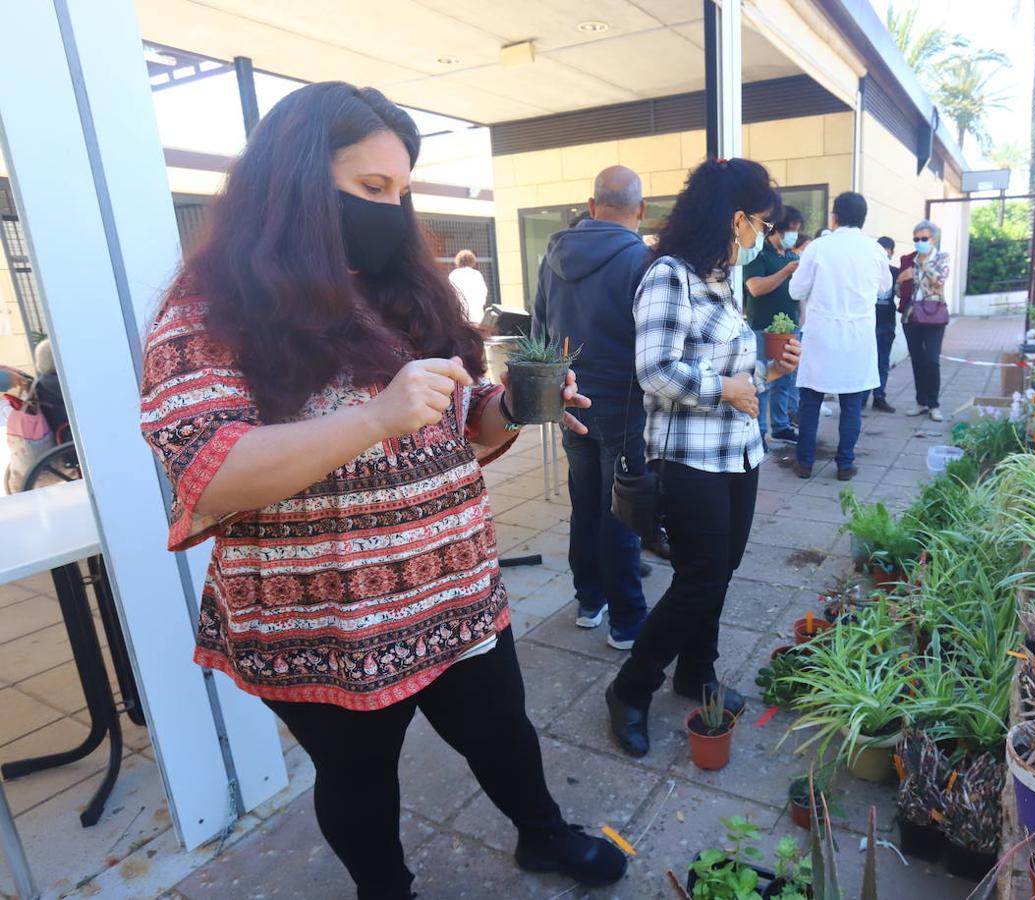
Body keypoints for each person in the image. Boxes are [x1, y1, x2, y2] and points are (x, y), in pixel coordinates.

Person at [138, 83, 626, 899]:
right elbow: (206, 468)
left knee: (504, 730)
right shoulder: (212, 307)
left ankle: (544, 834)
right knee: (360, 776)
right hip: (327, 615)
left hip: (453, 584)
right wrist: (373, 417)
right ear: (293, 182)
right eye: (371, 189)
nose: (393, 211)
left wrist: (512, 405)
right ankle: (384, 889)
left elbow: (460, 428)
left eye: (401, 192)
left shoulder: (403, 289)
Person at [605, 158, 800, 757]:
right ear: (736, 218)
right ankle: (631, 688)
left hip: (738, 452)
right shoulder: (669, 276)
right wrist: (725, 389)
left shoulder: (721, 277)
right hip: (688, 458)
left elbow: (734, 372)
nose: (764, 236)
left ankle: (697, 672)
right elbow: (654, 370)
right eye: (761, 224)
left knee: (721, 571)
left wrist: (770, 369)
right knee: (699, 578)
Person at [531, 166, 651, 650]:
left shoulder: (552, 257)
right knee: (621, 509)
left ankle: (589, 600)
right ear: (639, 210)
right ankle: (627, 620)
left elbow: (539, 333)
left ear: (592, 203)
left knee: (585, 503)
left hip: (572, 402)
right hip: (626, 406)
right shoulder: (643, 261)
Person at [788, 192, 891, 481]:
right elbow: (885, 287)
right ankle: (845, 464)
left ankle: (805, 463)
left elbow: (796, 290)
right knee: (851, 404)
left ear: (834, 216)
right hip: (857, 337)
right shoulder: (874, 250)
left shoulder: (819, 247)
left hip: (821, 335)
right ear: (863, 219)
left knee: (810, 401)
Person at [743, 205, 805, 443]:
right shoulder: (759, 254)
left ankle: (780, 426)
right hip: (762, 327)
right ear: (776, 230)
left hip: (789, 328)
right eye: (790, 230)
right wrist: (785, 272)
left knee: (785, 378)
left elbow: (799, 292)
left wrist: (801, 316)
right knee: (762, 379)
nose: (794, 236)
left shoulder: (791, 256)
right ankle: (759, 430)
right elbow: (755, 288)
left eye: (797, 231)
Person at [898, 218, 952, 422]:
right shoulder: (908, 259)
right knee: (918, 361)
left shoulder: (941, 258)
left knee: (931, 360)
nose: (919, 242)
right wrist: (901, 280)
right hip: (911, 315)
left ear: (933, 238)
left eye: (923, 238)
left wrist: (923, 266)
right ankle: (921, 402)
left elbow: (939, 280)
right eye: (916, 238)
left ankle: (934, 404)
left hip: (934, 314)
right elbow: (898, 288)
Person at [872, 236, 901, 413]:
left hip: (887, 322)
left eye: (887, 250)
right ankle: (861, 398)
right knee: (867, 361)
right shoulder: (868, 270)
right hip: (869, 323)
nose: (884, 253)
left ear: (892, 252)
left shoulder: (896, 272)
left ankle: (879, 396)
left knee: (883, 361)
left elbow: (901, 293)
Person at [449, 248, 489, 326]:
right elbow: (483, 292)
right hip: (477, 314)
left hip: (460, 314)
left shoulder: (453, 274)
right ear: (472, 261)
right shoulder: (477, 274)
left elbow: (450, 293)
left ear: (458, 260)